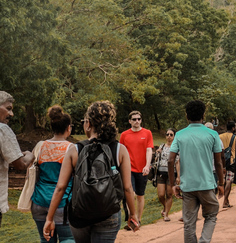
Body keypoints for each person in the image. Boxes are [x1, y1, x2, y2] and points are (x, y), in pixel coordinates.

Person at [44, 101, 139, 242]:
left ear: (88, 123)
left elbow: (60, 187)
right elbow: (127, 187)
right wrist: (133, 214)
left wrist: (50, 218)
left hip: (80, 214)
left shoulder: (75, 150)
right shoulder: (120, 150)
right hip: (109, 213)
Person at [169, 100, 225, 243]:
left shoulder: (180, 135)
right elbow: (218, 162)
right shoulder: (212, 134)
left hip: (188, 186)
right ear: (203, 115)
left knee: (188, 223)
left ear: (187, 116)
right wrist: (221, 183)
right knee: (211, 216)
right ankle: (204, 241)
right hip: (207, 184)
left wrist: (173, 184)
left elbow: (170, 160)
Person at [30, 106, 74, 243]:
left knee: (46, 239)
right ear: (69, 128)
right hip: (63, 203)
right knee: (68, 238)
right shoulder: (71, 148)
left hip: (39, 201)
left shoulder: (40, 145)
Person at [0, 91, 34, 229]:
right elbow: (21, 164)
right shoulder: (2, 130)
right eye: (8, 108)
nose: (11, 114)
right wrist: (30, 154)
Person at [119, 110, 153, 226]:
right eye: (134, 119)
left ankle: (138, 219)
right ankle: (131, 219)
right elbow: (121, 151)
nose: (137, 121)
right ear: (130, 121)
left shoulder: (147, 133)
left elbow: (149, 150)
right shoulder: (124, 135)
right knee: (130, 194)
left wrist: (147, 165)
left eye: (139, 119)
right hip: (129, 169)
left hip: (142, 168)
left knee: (140, 195)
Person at [155, 128, 178, 222]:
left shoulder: (176, 148)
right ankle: (165, 207)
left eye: (171, 135)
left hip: (171, 173)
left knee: (169, 194)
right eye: (167, 134)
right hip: (161, 172)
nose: (169, 136)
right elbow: (157, 160)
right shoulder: (162, 146)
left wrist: (179, 176)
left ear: (174, 136)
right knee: (160, 195)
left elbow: (177, 162)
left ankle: (166, 214)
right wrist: (157, 154)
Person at [219, 121, 236, 209]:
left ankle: (226, 200)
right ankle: (225, 200)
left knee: (224, 180)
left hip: (221, 160)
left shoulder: (220, 136)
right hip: (231, 160)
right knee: (229, 180)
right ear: (233, 128)